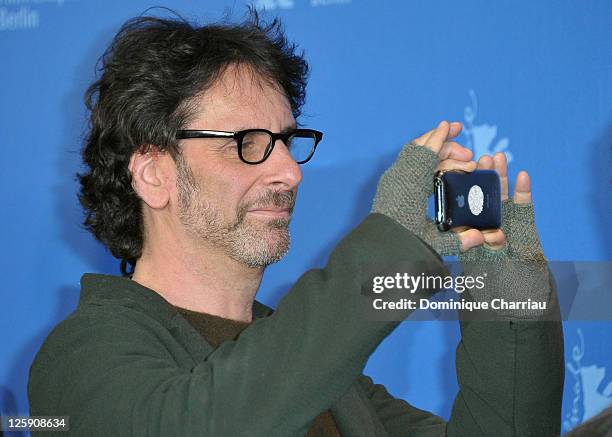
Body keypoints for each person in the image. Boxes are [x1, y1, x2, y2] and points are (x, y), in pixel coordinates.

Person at [28, 9, 564, 436]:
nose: (288, 171)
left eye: (286, 141)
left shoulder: (333, 383)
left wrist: (508, 287)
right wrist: (387, 254)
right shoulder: (80, 359)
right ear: (152, 174)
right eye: (249, 143)